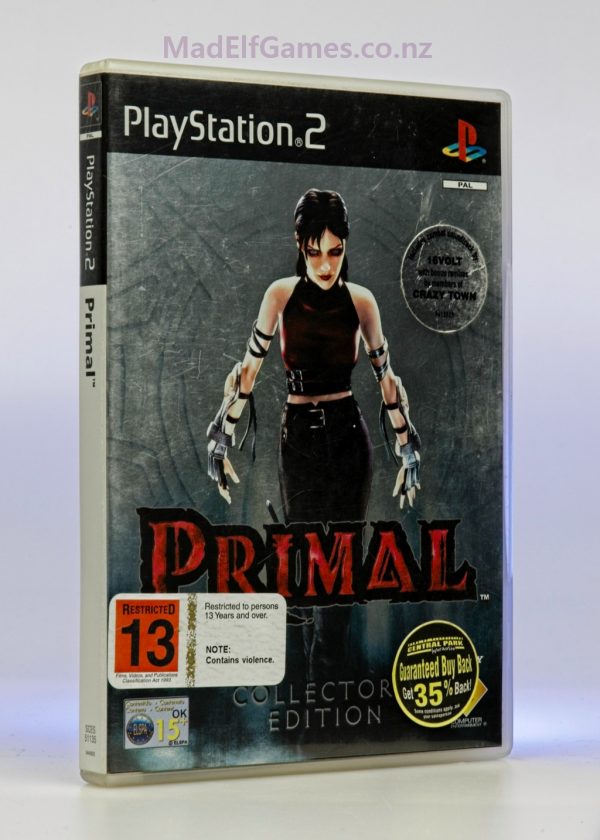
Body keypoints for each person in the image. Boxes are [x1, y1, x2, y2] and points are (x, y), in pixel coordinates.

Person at [207, 188, 420, 680]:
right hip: (299, 437)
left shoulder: (361, 301)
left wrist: (407, 446)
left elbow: (386, 380)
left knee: (342, 563)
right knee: (301, 561)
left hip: (348, 436)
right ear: (299, 245)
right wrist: (223, 433)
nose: (325, 265)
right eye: (314, 251)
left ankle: (329, 677)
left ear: (346, 245)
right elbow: (248, 371)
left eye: (335, 251)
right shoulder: (280, 295)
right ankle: (306, 682)